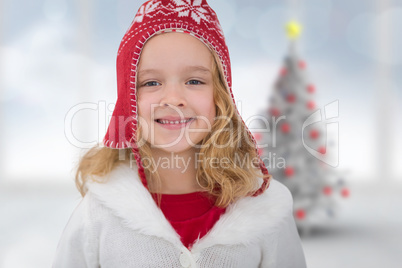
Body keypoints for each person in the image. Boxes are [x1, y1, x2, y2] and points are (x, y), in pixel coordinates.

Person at [53, 0, 306, 267]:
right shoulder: (97, 215)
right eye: (151, 82)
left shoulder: (266, 209)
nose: (173, 98)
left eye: (194, 81)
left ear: (220, 96)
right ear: (128, 99)